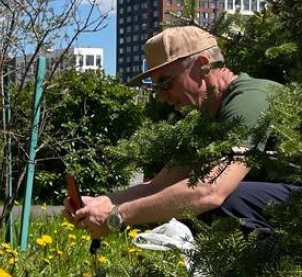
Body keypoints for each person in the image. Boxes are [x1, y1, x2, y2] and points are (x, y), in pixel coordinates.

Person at [65, 26, 299, 239]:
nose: (160, 95)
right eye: (155, 86)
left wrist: (117, 216)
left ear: (202, 65)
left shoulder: (251, 99)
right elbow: (157, 187)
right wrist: (99, 204)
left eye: (165, 82)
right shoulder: (206, 118)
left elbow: (212, 191)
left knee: (220, 203)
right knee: (171, 201)